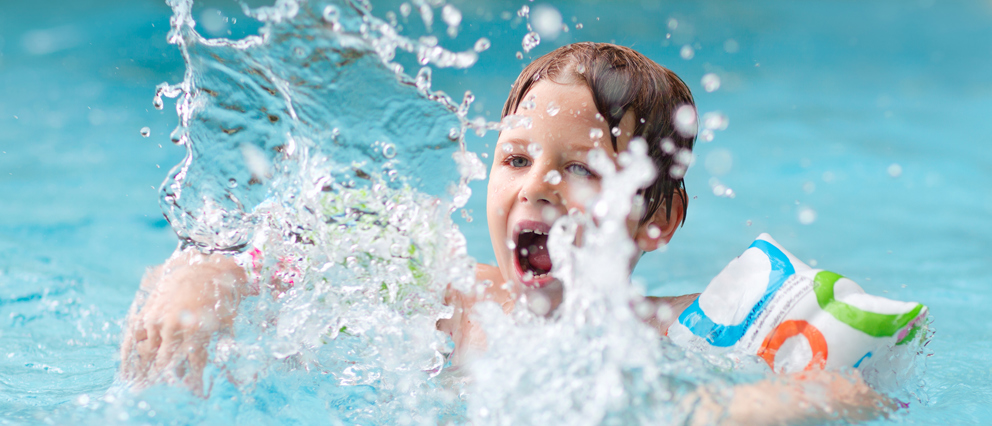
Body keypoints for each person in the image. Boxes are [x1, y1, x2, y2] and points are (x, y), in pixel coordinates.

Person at [121, 42, 891, 424]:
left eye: (583, 169)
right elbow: (283, 255)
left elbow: (861, 394)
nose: (536, 186)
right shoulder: (451, 298)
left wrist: (778, 403)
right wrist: (208, 276)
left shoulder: (682, 330)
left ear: (656, 219)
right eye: (515, 158)